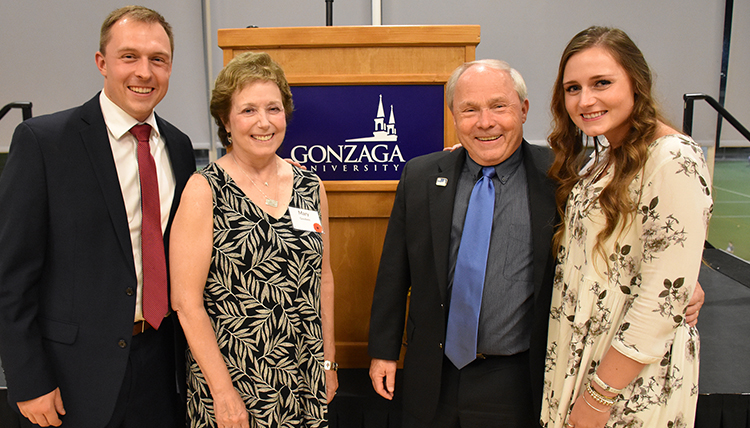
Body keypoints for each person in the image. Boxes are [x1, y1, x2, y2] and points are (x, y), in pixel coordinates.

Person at [0, 5, 196, 428]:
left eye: (157, 59)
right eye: (129, 57)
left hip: (163, 370)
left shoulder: (179, 148)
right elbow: (10, 276)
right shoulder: (44, 143)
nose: (144, 72)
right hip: (71, 379)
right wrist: (28, 378)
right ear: (102, 63)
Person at [368, 59, 558, 427]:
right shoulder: (422, 176)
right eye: (469, 110)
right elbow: (394, 271)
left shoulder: (560, 176)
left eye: (498, 106)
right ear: (454, 116)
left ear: (523, 110)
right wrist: (383, 352)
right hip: (432, 375)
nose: (485, 122)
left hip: (517, 380)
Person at [542, 26, 712, 428]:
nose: (586, 100)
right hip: (583, 358)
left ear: (637, 82)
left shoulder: (672, 157)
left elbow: (661, 298)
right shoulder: (605, 156)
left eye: (602, 83)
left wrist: (599, 398)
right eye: (573, 88)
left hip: (626, 378)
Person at [170, 52, 338, 428]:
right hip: (235, 381)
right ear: (225, 121)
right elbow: (186, 302)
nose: (264, 122)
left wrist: (328, 361)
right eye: (248, 111)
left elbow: (323, 279)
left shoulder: (311, 186)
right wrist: (222, 391)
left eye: (273, 109)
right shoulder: (204, 191)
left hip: (304, 376)